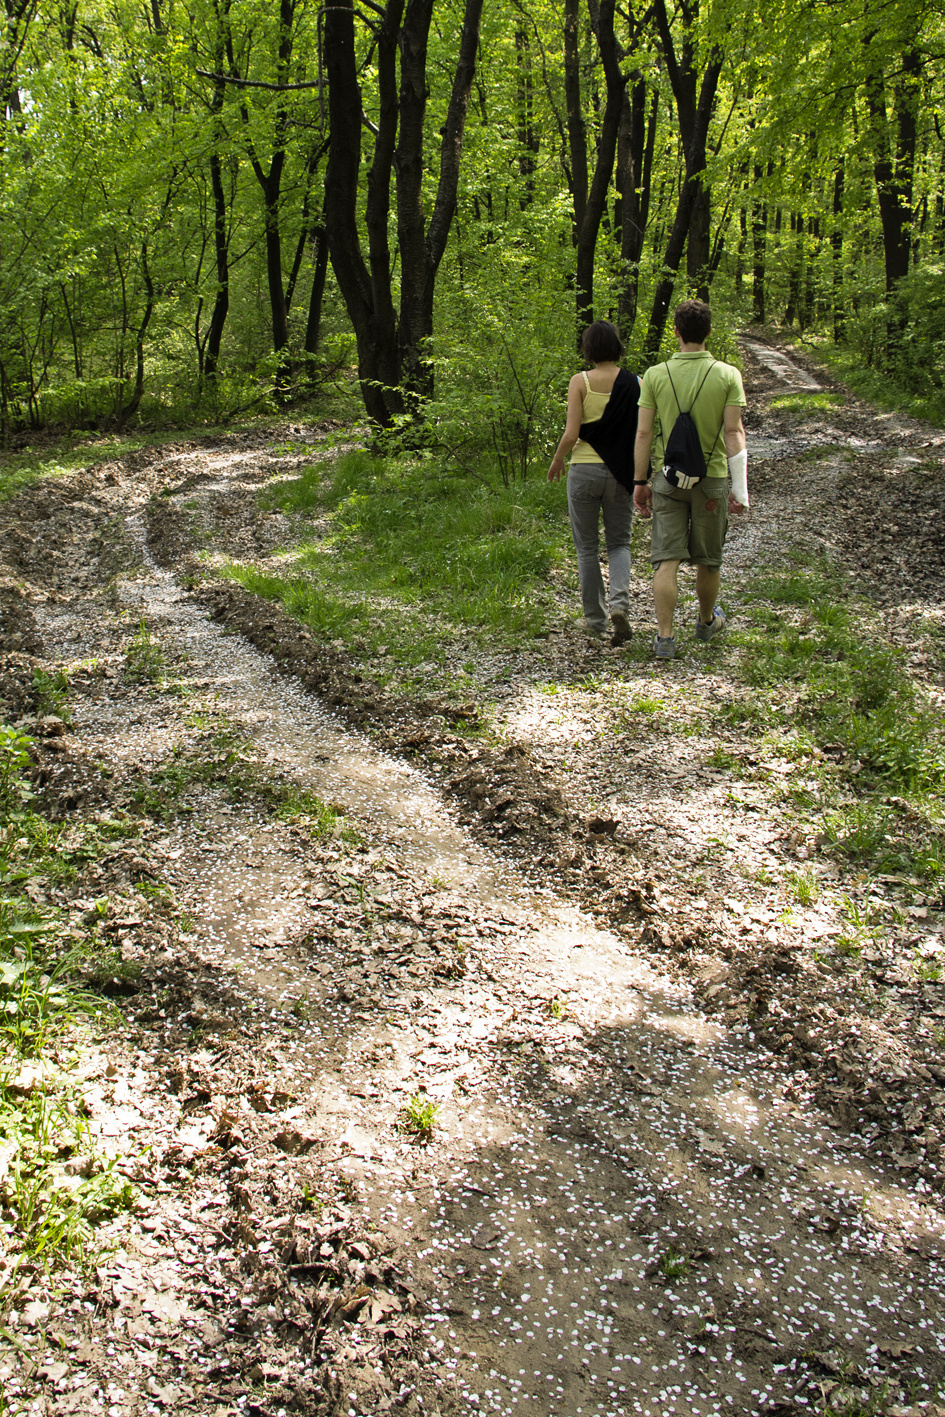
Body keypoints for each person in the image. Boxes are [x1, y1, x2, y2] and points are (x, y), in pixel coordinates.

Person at [632, 300, 748, 661]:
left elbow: (644, 434)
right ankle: (705, 621)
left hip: (667, 480)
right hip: (711, 480)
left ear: (676, 332)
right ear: (709, 332)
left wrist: (640, 481)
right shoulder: (728, 375)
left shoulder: (654, 375)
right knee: (708, 560)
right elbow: (734, 432)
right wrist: (740, 489)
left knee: (666, 559)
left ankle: (665, 638)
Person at [548, 320, 640, 645]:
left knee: (587, 548)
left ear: (589, 349)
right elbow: (639, 433)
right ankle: (620, 605)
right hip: (620, 474)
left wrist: (558, 458)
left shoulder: (580, 381)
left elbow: (572, 433)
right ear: (617, 346)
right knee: (620, 544)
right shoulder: (635, 382)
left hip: (584, 471)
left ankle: (597, 620)